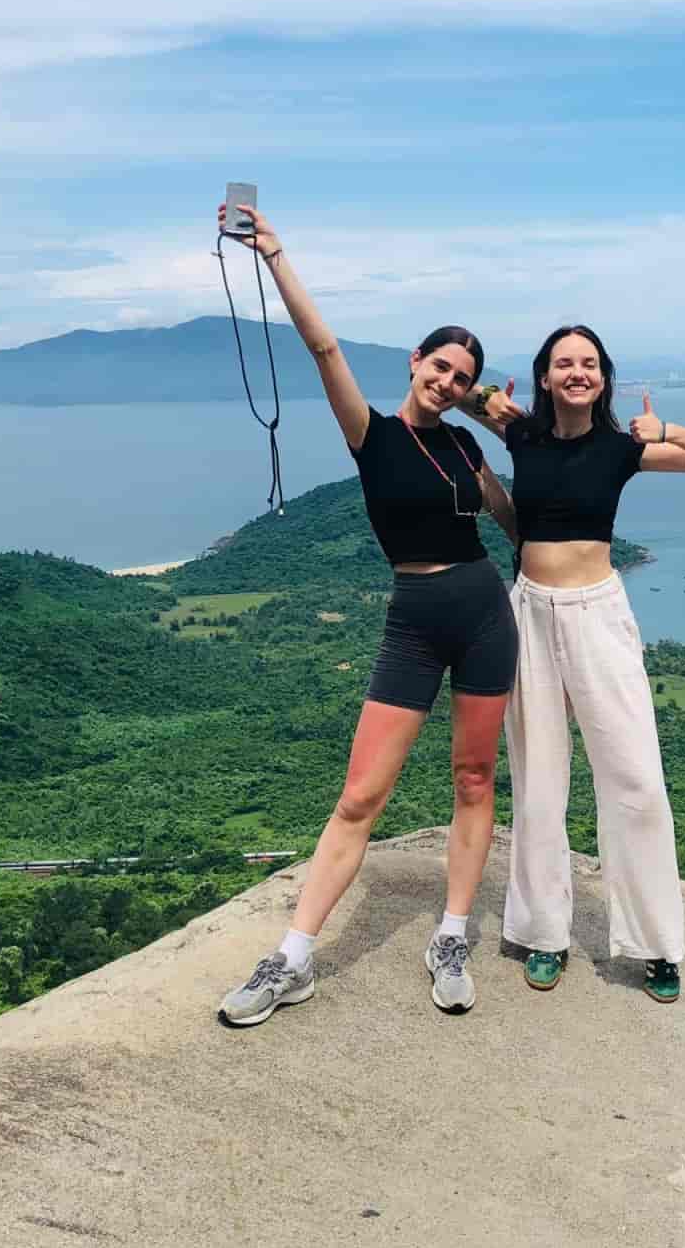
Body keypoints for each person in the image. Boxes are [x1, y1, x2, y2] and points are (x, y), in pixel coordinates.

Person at [216, 204, 520, 1024]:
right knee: (359, 798)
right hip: (414, 620)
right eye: (439, 366)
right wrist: (276, 255)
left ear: (469, 390)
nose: (447, 382)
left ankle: (452, 933)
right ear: (418, 362)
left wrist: (523, 440)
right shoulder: (374, 434)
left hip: (488, 613)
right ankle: (293, 958)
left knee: (474, 777)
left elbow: (514, 522)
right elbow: (323, 348)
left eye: (462, 378)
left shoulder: (466, 446)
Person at [465, 325, 685, 1003]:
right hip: (528, 610)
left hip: (597, 613)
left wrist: (662, 426)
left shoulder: (623, 447)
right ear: (546, 376)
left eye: (589, 363)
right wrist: (487, 404)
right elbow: (444, 389)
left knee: (636, 780)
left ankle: (656, 945)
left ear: (605, 378)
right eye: (564, 363)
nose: (577, 372)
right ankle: (544, 934)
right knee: (537, 779)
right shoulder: (522, 435)